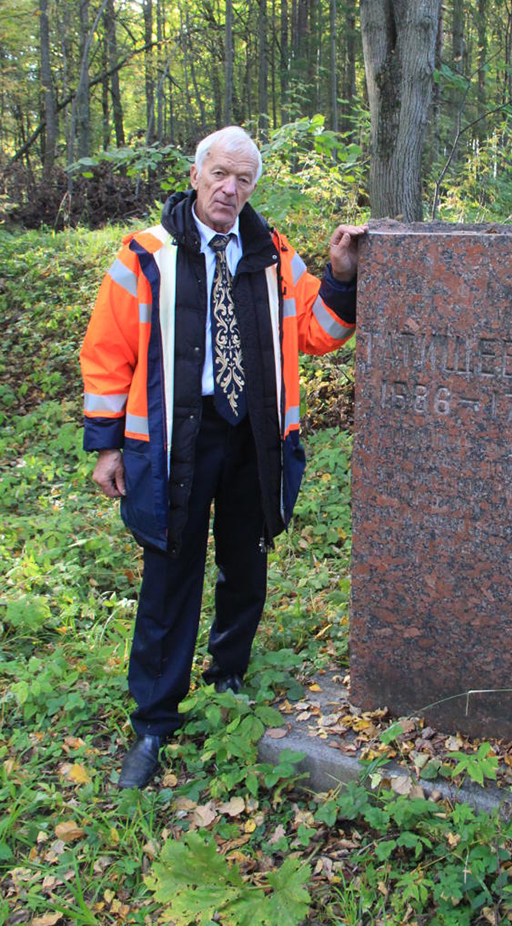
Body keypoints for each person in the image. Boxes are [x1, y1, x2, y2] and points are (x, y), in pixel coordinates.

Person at [80, 125, 365, 789]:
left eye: (244, 179)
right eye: (221, 174)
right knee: (170, 577)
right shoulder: (148, 255)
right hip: (175, 443)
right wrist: (105, 446)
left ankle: (228, 670)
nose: (231, 189)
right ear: (196, 174)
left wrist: (342, 277)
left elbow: (315, 332)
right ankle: (154, 721)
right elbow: (106, 352)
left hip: (252, 439)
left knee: (246, 564)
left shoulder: (270, 252)